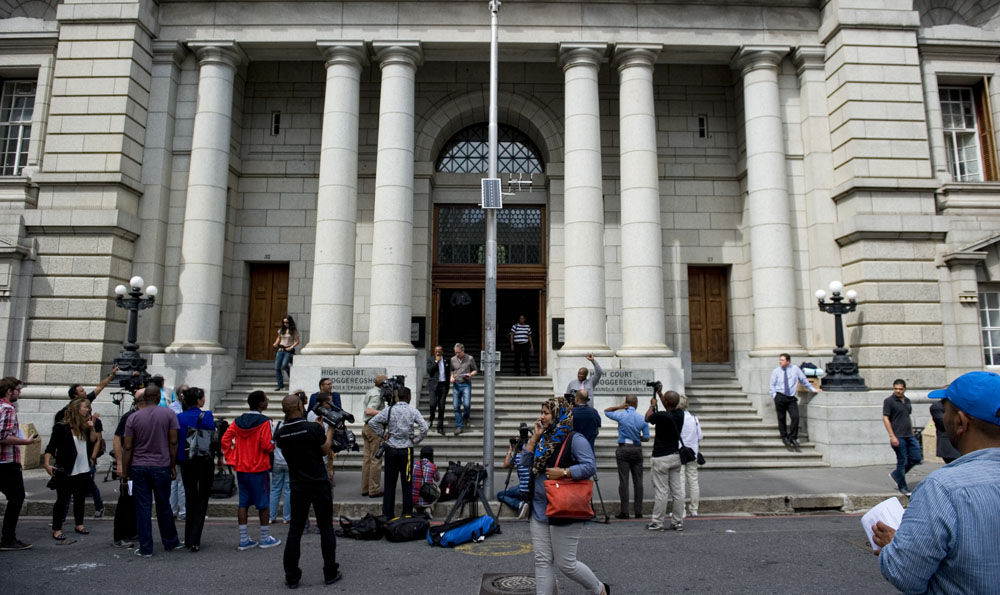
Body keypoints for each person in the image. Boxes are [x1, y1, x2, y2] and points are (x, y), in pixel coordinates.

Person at [873, 371, 1000, 593]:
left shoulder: (942, 488)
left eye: (945, 409)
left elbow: (905, 574)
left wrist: (894, 545)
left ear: (961, 421)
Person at [521, 396, 607, 595]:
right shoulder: (543, 437)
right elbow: (525, 463)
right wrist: (534, 438)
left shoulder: (574, 439)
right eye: (541, 412)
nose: (542, 417)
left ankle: (599, 589)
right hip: (539, 508)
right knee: (542, 560)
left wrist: (565, 472)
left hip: (564, 507)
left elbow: (590, 466)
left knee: (566, 563)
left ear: (558, 414)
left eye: (546, 413)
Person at [273, 394, 342, 588]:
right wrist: (330, 430)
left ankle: (291, 575)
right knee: (326, 527)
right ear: (299, 407)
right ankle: (330, 571)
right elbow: (324, 449)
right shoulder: (311, 428)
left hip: (297, 483)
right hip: (318, 481)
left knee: (295, 530)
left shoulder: (280, 432)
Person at [122, 387, 182, 557]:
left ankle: (146, 547)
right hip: (161, 465)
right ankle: (170, 541)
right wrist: (172, 465)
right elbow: (173, 442)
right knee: (164, 505)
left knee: (143, 507)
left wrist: (125, 472)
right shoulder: (169, 415)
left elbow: (127, 446)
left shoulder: (133, 417)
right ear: (158, 397)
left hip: (139, 466)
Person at [221, 390, 279, 551]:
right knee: (263, 504)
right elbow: (266, 445)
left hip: (242, 467)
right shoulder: (264, 422)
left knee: (243, 503)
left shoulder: (239, 420)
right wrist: (274, 443)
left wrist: (232, 457)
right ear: (260, 404)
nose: (267, 401)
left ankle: (244, 539)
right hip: (259, 467)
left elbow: (225, 439)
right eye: (266, 399)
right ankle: (264, 537)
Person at [44, 397, 100, 541]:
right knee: (62, 500)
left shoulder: (85, 426)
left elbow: (94, 440)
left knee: (80, 498)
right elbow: (51, 446)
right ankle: (57, 528)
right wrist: (47, 463)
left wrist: (92, 426)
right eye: (85, 407)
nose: (88, 409)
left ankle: (79, 524)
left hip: (83, 467)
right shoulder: (61, 427)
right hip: (67, 468)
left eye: (88, 407)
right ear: (76, 409)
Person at [368, 386, 428, 518]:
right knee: (407, 482)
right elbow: (424, 428)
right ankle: (406, 513)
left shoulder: (389, 410)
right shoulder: (413, 411)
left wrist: (383, 434)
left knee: (390, 482)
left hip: (391, 448)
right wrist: (416, 440)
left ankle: (387, 514)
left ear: (397, 397)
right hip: (406, 448)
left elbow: (372, 422)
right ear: (409, 397)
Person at [0, 376, 39, 550]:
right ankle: (8, 539)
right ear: (9, 391)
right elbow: (3, 436)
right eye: (18, 390)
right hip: (7, 462)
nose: (20, 393)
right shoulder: (8, 408)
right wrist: (27, 442)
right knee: (16, 498)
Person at [175, 387, 216, 552]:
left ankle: (188, 536)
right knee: (203, 497)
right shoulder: (206, 415)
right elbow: (212, 435)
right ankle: (195, 539)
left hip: (185, 460)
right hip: (204, 460)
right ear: (199, 400)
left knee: (190, 495)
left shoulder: (179, 417)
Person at [645, 387, 685, 532]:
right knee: (677, 491)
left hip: (661, 457)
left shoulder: (661, 416)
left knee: (661, 492)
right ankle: (677, 521)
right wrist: (661, 394)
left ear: (666, 403)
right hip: (675, 456)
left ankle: (657, 522)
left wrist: (651, 405)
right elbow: (669, 405)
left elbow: (647, 418)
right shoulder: (680, 414)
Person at [604, 394, 650, 519]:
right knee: (638, 481)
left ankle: (624, 511)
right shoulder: (642, 418)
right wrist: (637, 437)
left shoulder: (621, 414)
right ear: (637, 403)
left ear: (626, 403)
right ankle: (638, 511)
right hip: (636, 449)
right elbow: (646, 437)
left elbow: (606, 411)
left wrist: (619, 407)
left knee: (624, 481)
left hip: (623, 448)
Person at [768, 353, 820, 449]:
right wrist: (774, 395)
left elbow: (804, 380)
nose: (780, 362)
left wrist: (813, 389)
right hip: (780, 396)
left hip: (791, 398)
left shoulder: (795, 369)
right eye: (780, 360)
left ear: (788, 361)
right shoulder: (776, 371)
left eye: (782, 360)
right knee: (781, 418)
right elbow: (772, 385)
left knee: (795, 417)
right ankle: (784, 437)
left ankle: (793, 437)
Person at [882, 378, 921, 495]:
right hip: (898, 435)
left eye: (900, 389)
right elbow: (885, 418)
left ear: (904, 389)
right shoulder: (889, 401)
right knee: (902, 460)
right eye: (895, 389)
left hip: (909, 435)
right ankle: (902, 486)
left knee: (917, 457)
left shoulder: (907, 401)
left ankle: (896, 475)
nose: (898, 391)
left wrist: (912, 431)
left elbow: (907, 416)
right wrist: (892, 436)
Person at [112, 394, 140, 548]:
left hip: (137, 467)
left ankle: (131, 531)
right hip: (128, 468)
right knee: (125, 499)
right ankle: (120, 535)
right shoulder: (129, 417)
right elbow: (117, 439)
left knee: (133, 498)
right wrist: (120, 463)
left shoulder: (140, 416)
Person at [677, 395, 703, 517]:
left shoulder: (677, 419)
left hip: (680, 453)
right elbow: (700, 437)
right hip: (692, 453)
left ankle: (682, 510)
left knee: (680, 481)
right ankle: (694, 509)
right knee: (693, 481)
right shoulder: (694, 419)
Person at [361, 375, 386, 498]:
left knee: (367, 459)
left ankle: (365, 488)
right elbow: (369, 411)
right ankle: (374, 489)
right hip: (373, 428)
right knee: (376, 459)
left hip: (367, 427)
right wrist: (384, 413)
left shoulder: (371, 391)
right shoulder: (377, 394)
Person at [497, 435, 531, 518]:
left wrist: (510, 451)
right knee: (512, 489)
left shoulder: (518, 456)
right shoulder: (530, 455)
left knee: (500, 494)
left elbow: (505, 464)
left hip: (524, 491)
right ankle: (525, 502)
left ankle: (519, 504)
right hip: (533, 488)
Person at [450, 343, 477, 435]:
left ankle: (466, 417)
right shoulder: (452, 359)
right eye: (455, 352)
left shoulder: (469, 358)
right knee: (456, 406)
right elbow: (452, 370)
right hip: (456, 384)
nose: (457, 354)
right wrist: (451, 377)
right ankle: (459, 427)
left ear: (463, 351)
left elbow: (475, 370)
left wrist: (471, 374)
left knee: (466, 404)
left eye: (458, 352)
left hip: (466, 384)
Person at [270, 413, 291, 525]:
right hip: (290, 462)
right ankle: (286, 517)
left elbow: (271, 442)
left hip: (277, 461)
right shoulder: (294, 427)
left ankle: (271, 516)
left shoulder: (277, 425)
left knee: (275, 489)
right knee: (289, 489)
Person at [425, 346, 450, 435]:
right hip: (433, 385)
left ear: (442, 352)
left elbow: (448, 373)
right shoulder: (431, 359)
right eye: (436, 351)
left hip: (443, 385)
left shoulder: (446, 360)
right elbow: (429, 371)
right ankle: (431, 418)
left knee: (442, 407)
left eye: (439, 351)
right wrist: (436, 362)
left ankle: (440, 427)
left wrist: (447, 386)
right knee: (432, 404)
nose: (438, 353)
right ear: (434, 352)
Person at [412, 445, 440, 518]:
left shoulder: (414, 464)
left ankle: (414, 509)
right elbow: (437, 479)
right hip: (427, 498)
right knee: (438, 490)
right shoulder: (432, 466)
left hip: (414, 498)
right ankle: (429, 508)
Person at [273, 315, 300, 392]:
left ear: (290, 322)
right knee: (277, 367)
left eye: (287, 322)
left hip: (288, 350)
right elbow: (279, 337)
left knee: (284, 366)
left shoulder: (293, 330)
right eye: (284, 322)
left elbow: (297, 341)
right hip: (280, 349)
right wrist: (275, 343)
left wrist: (291, 347)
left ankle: (293, 379)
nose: (285, 324)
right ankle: (280, 385)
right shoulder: (281, 329)